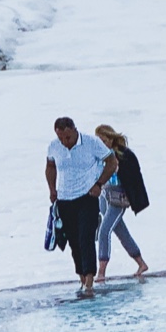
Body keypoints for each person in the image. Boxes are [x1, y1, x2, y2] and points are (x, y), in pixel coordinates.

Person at [44, 116, 117, 297]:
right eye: (61, 138)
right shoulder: (54, 146)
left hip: (87, 196)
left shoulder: (91, 142)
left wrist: (99, 184)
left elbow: (112, 162)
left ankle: (90, 280)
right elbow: (50, 166)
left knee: (86, 237)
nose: (64, 142)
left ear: (74, 130)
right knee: (73, 241)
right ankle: (81, 278)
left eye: (67, 137)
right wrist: (52, 189)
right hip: (65, 198)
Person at [92, 124, 151, 283]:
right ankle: (141, 263)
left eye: (104, 141)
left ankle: (101, 272)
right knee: (121, 232)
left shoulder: (123, 155)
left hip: (119, 197)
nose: (101, 144)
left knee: (104, 231)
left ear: (111, 139)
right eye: (99, 141)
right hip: (105, 195)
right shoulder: (99, 156)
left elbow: (133, 177)